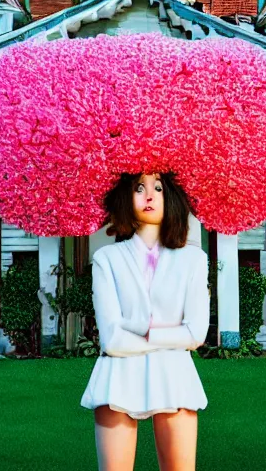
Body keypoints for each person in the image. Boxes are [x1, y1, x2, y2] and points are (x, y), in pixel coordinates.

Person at [80, 171, 210, 471]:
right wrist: (170, 337)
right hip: (118, 375)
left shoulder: (193, 260)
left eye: (159, 188)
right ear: (125, 197)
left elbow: (196, 332)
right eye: (139, 188)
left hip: (174, 375)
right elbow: (111, 340)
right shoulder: (106, 259)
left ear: (172, 197)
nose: (149, 196)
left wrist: (143, 333)